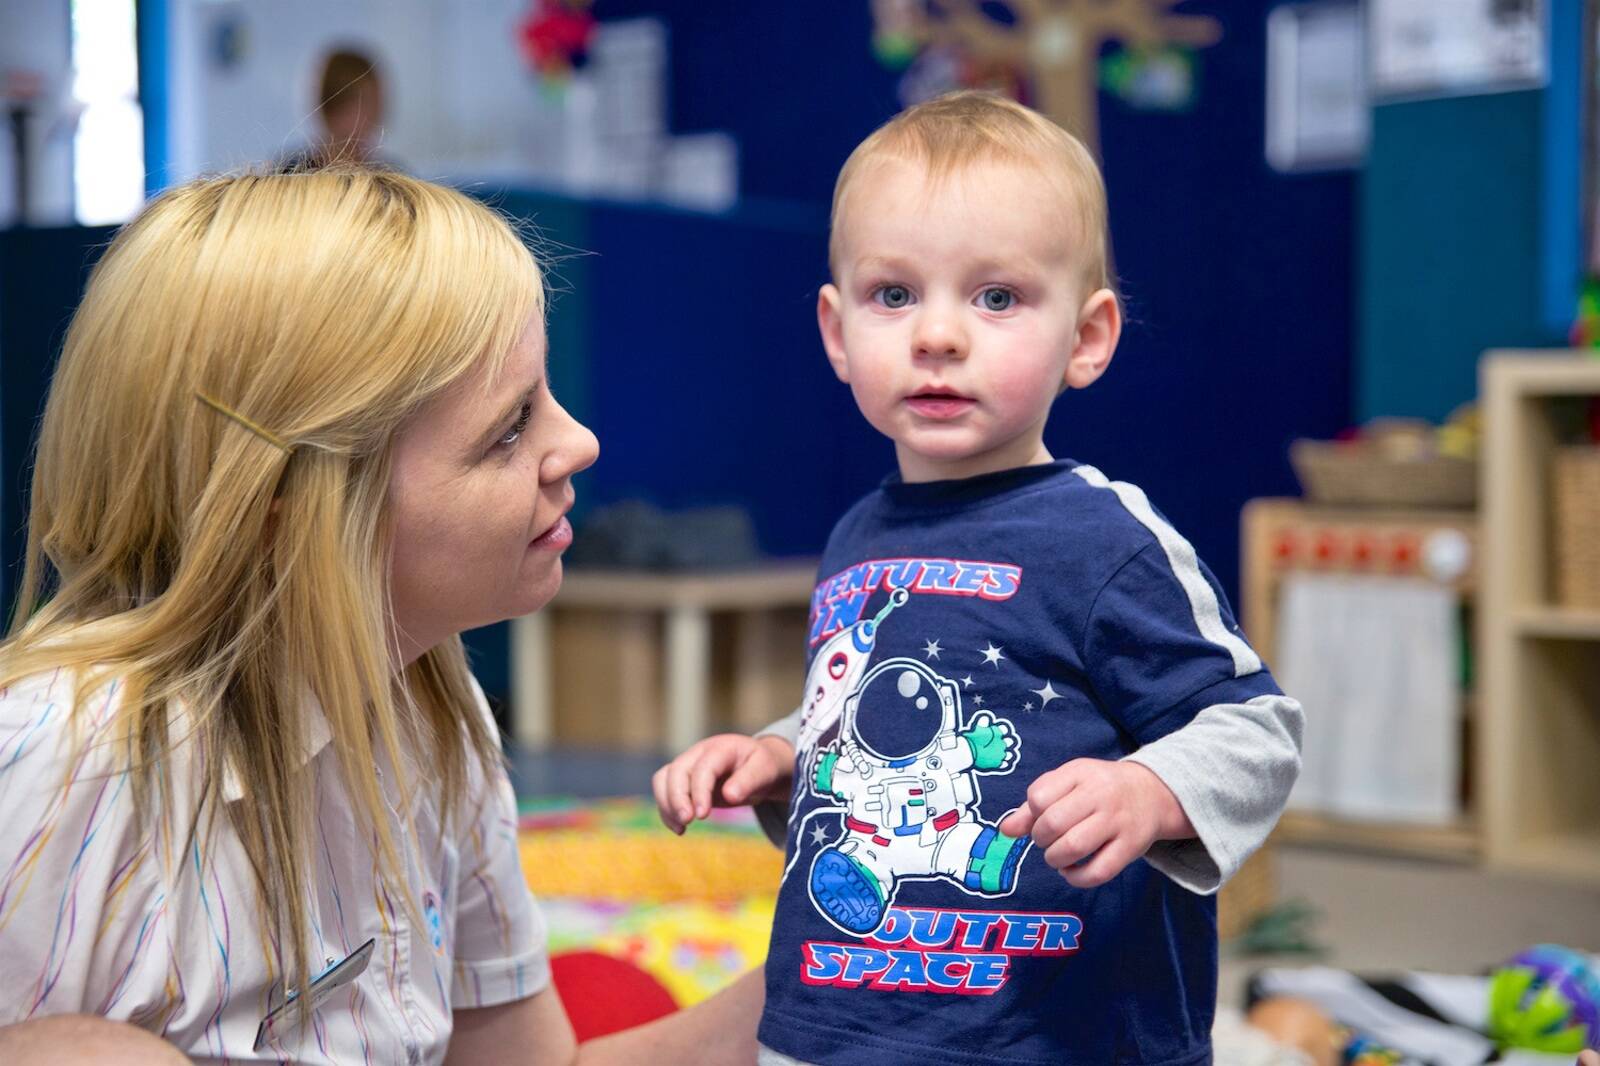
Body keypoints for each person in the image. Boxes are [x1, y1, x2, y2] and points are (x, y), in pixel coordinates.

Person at [0, 166, 760, 1064]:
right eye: (510, 428)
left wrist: (830, 965)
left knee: (611, 988)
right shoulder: (69, 760)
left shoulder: (432, 715)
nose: (580, 444)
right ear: (288, 500)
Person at [654, 91, 1305, 1065]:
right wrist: (779, 755)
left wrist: (1148, 789)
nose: (938, 335)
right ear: (836, 332)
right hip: (835, 1027)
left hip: (1054, 1033)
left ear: (1085, 338)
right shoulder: (856, 535)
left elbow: (1256, 730)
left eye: (995, 297)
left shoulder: (1103, 536)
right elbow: (868, 717)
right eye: (894, 295)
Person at [282, 47, 390, 171]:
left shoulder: (392, 179)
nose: (378, 112)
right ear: (337, 105)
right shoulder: (290, 172)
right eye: (370, 101)